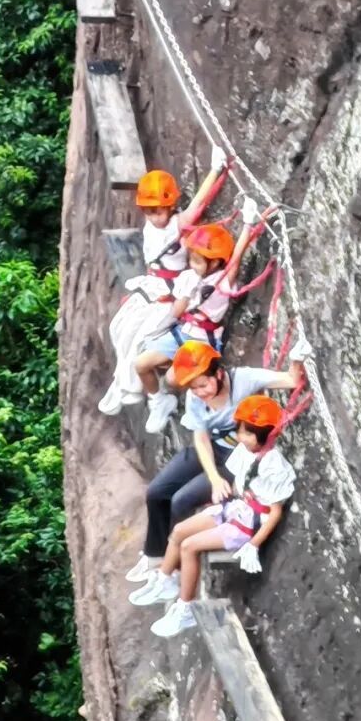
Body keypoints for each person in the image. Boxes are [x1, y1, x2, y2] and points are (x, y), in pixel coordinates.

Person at [123, 337, 310, 588]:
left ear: (219, 373)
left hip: (238, 461)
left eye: (203, 385)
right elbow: (200, 437)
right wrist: (213, 477)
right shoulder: (196, 398)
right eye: (194, 388)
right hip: (212, 449)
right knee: (157, 492)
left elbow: (290, 380)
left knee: (180, 500)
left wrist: (297, 359)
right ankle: (154, 556)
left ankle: (173, 567)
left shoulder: (244, 379)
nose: (200, 392)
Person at [133, 395, 296, 636]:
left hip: (246, 524)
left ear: (264, 435)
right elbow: (237, 481)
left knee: (189, 546)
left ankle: (186, 608)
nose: (240, 437)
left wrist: (253, 544)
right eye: (240, 431)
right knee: (178, 531)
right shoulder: (245, 451)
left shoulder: (274, 466)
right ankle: (166, 579)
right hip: (234, 508)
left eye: (247, 433)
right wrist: (223, 494)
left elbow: (275, 512)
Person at [97, 143, 230, 416]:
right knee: (119, 328)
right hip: (151, 286)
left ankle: (140, 392)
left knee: (141, 337)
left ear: (170, 207)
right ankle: (123, 384)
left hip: (169, 294)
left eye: (158, 210)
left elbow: (198, 204)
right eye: (149, 211)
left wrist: (216, 169)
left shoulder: (177, 225)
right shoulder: (151, 226)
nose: (154, 217)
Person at [134, 207, 259, 434]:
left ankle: (196, 408)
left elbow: (236, 259)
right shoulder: (188, 277)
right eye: (191, 259)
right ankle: (159, 401)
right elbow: (176, 312)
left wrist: (248, 225)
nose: (192, 265)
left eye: (198, 261)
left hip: (202, 342)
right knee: (141, 364)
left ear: (214, 263)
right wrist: (185, 294)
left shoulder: (221, 282)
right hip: (183, 331)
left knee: (172, 379)